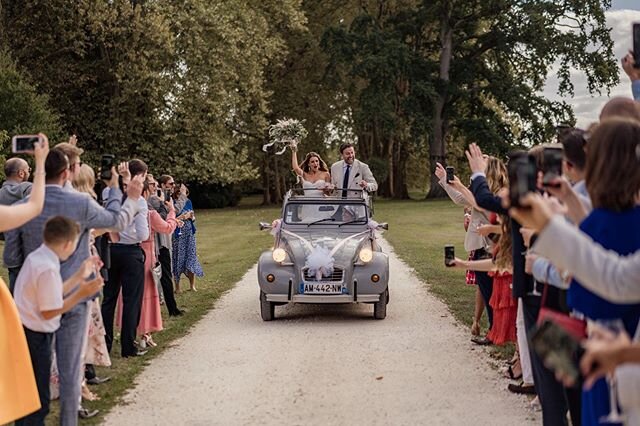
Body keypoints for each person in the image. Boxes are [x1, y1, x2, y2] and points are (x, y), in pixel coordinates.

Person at [4, 148, 143, 426]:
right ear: (67, 172)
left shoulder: (26, 202)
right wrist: (124, 192)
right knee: (70, 370)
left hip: (33, 301)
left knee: (34, 371)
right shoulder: (80, 202)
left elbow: (11, 255)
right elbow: (117, 220)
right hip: (73, 294)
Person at [13, 216, 103, 425]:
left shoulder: (41, 257)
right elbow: (50, 310)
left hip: (31, 333)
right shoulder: (46, 267)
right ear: (67, 244)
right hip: (35, 335)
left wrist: (79, 277)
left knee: (34, 397)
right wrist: (81, 293)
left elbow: (52, 294)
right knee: (38, 401)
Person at [0, 136, 47, 425]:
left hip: (13, 260)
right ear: (22, 173)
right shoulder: (28, 190)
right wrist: (41, 163)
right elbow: (35, 206)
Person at [101, 159, 150, 359]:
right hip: (130, 252)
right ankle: (128, 346)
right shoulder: (139, 200)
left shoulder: (108, 194)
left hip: (110, 250)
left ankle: (105, 343)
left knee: (109, 299)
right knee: (131, 300)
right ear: (140, 176)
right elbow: (143, 234)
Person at [151, 175, 185, 315]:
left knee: (165, 274)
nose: (173, 186)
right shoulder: (153, 200)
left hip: (163, 239)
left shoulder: (161, 197)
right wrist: (181, 197)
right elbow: (168, 213)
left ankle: (171, 307)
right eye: (170, 183)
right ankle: (171, 308)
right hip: (158, 243)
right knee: (164, 275)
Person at [172, 187, 203, 293]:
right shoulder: (173, 204)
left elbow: (192, 217)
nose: (185, 194)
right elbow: (172, 218)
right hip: (178, 235)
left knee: (191, 257)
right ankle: (177, 287)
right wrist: (183, 217)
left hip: (189, 234)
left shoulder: (188, 202)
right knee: (177, 258)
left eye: (186, 192)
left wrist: (191, 217)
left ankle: (192, 285)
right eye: (182, 192)